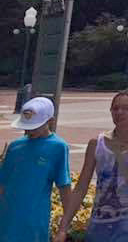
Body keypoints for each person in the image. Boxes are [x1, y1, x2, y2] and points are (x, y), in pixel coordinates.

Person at [57, 89, 128, 242]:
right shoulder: (96, 143)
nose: (119, 112)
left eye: (125, 108)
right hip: (99, 221)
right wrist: (63, 228)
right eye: (115, 108)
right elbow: (81, 187)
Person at [0, 96, 72, 242]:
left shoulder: (58, 147)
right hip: (7, 220)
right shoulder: (15, 147)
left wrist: (63, 229)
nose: (29, 130)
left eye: (34, 126)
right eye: (26, 126)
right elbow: (2, 184)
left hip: (35, 221)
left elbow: (64, 187)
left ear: (50, 121)